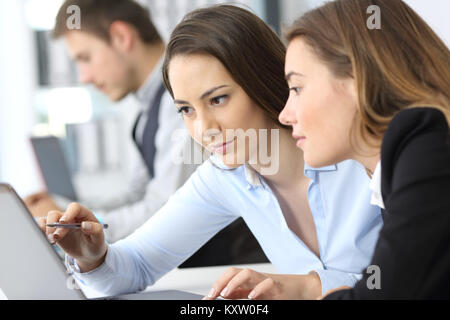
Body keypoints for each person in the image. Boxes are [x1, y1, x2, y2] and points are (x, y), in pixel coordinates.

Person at [37, 5, 382, 300]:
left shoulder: (360, 153)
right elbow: (137, 265)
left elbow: (415, 277)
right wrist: (93, 257)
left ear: (263, 82)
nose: (204, 130)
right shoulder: (225, 177)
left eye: (218, 99)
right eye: (186, 110)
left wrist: (303, 286)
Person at [25, 0, 268, 268]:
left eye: (85, 58)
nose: (84, 77)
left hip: (227, 267)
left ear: (121, 37)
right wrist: (62, 209)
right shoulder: (147, 111)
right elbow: (138, 196)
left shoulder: (179, 102)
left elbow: (162, 210)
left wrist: (80, 228)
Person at [279, 0, 449, 299]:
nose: (285, 114)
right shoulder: (410, 157)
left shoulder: (425, 138)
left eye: (297, 89)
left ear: (358, 78)